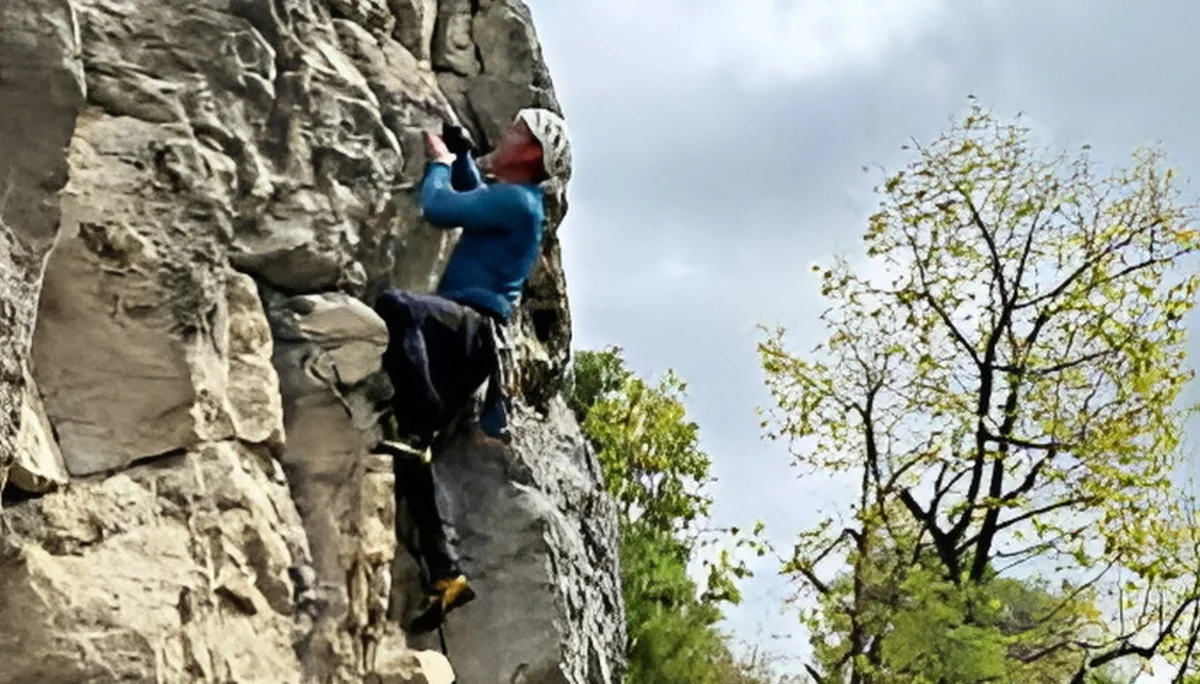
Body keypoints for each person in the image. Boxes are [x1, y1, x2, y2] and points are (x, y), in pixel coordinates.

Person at [372, 108, 572, 634]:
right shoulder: (515, 201)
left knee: (397, 307)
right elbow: (473, 198)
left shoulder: (518, 201)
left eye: (515, 131)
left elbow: (442, 207)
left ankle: (421, 418)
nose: (505, 134)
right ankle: (446, 574)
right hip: (474, 342)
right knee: (416, 459)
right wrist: (462, 156)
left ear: (532, 154)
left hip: (471, 328)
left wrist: (438, 163)